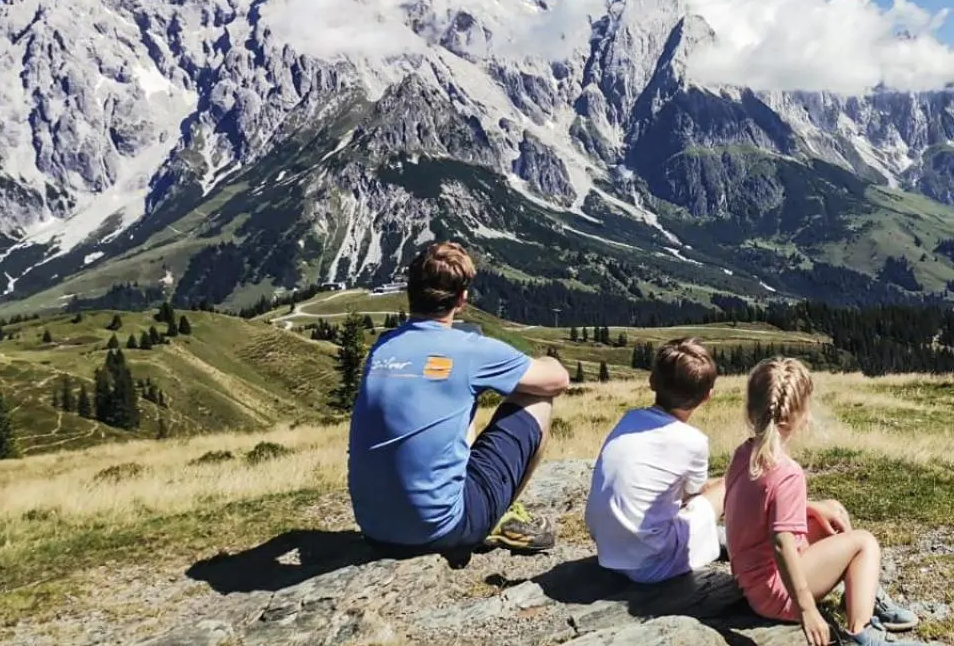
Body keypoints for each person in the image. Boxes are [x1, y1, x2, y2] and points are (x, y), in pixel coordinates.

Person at [348, 241, 570, 555]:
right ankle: (499, 513)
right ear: (462, 299)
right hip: (442, 529)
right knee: (538, 401)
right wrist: (548, 360)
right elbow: (558, 381)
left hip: (374, 528)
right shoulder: (469, 349)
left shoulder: (383, 346)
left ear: (410, 292)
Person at [723, 358, 921, 646]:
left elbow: (757, 509)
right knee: (865, 542)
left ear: (750, 410)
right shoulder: (787, 472)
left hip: (750, 576)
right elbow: (781, 544)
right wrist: (806, 609)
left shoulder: (744, 454)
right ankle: (862, 631)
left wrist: (813, 507)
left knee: (833, 511)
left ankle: (860, 590)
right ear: (802, 414)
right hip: (775, 592)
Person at [585, 337, 724, 582]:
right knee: (728, 484)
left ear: (652, 381)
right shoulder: (693, 441)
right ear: (707, 396)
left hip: (607, 551)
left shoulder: (629, 419)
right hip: (650, 564)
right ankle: (740, 540)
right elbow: (693, 494)